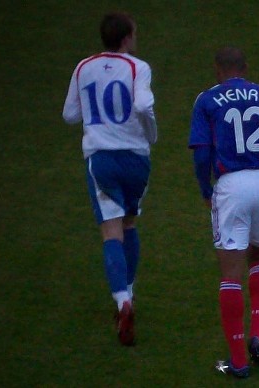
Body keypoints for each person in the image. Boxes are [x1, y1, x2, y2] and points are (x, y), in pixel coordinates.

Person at [188, 47, 259, 378]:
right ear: (245, 68)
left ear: (217, 70)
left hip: (232, 185)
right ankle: (258, 335)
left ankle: (238, 362)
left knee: (231, 273)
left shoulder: (207, 99)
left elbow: (201, 152)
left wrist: (205, 188)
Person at [62, 12, 157, 346]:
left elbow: (70, 114)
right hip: (136, 159)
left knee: (110, 233)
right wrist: (151, 134)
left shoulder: (83, 66)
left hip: (101, 158)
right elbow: (144, 106)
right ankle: (130, 291)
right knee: (130, 225)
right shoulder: (138, 67)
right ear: (127, 37)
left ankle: (122, 301)